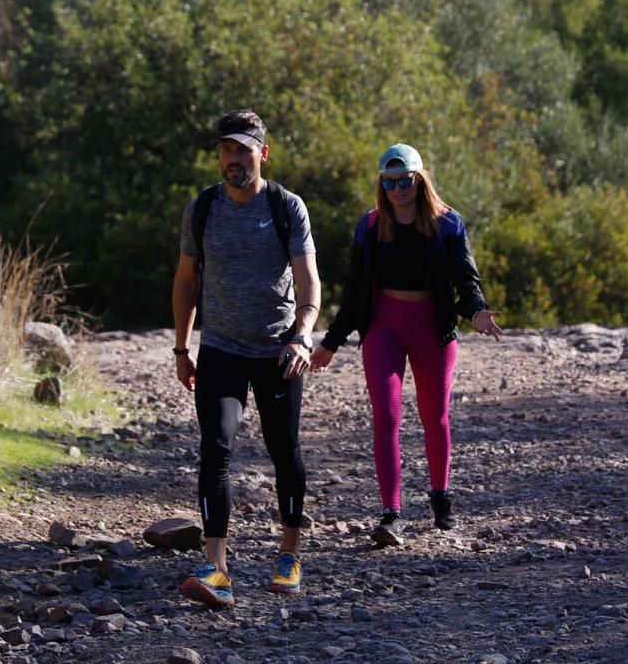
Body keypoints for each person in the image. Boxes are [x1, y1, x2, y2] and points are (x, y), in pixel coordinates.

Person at [309, 143, 502, 547]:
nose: (398, 188)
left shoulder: (448, 225)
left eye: (405, 180)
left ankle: (440, 497)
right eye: (390, 181)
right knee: (387, 417)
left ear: (419, 179)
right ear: (382, 183)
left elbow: (466, 279)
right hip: (384, 328)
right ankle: (391, 513)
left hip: (433, 328)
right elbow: (355, 290)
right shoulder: (370, 226)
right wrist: (331, 341)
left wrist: (477, 312)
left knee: (436, 416)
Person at [171, 109, 320, 608]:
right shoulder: (203, 208)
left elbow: (309, 283)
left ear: (263, 152)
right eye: (226, 149)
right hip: (220, 350)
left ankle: (289, 554)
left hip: (278, 351)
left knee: (285, 450)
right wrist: (181, 347)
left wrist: (301, 336)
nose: (233, 159)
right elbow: (188, 280)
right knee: (214, 450)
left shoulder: (285, 207)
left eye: (242, 149)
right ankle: (217, 569)